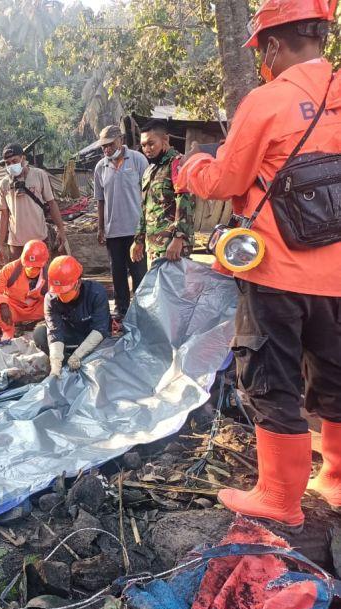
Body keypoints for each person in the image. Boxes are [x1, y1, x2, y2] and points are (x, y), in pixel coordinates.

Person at [176, 0, 341, 529]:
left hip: (277, 276)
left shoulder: (267, 102)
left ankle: (279, 495)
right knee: (337, 377)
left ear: (271, 45)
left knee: (272, 379)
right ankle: (336, 479)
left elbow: (223, 181)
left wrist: (193, 166)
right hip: (337, 279)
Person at [94, 125, 149, 318]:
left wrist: (146, 228)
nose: (106, 149)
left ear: (121, 140)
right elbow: (100, 200)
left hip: (136, 230)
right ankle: (121, 309)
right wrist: (101, 228)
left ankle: (142, 311)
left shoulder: (138, 160)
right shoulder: (101, 167)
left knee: (139, 273)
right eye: (103, 147)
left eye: (110, 144)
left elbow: (148, 195)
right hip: (113, 231)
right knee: (117, 274)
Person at [33, 256, 110, 377]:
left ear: (78, 283)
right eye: (59, 292)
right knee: (40, 334)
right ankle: (64, 365)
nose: (62, 296)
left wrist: (78, 355)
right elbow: (54, 331)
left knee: (107, 349)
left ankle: (82, 361)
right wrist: (56, 363)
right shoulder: (51, 299)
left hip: (92, 338)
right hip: (69, 338)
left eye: (65, 291)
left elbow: (100, 329)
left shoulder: (96, 293)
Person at [132, 119, 195, 264]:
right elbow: (145, 208)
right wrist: (138, 240)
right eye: (143, 145)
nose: (147, 149)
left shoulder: (177, 163)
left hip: (173, 248)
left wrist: (178, 239)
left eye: (151, 143)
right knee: (156, 287)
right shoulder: (149, 171)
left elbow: (186, 202)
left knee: (174, 287)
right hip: (153, 248)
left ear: (165, 139)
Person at [0, 143, 68, 264]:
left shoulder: (39, 175)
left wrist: (61, 229)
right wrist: (0, 245)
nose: (11, 165)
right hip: (16, 243)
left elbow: (51, 204)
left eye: (14, 161)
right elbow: (3, 216)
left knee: (42, 278)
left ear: (23, 158)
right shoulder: (3, 185)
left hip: (39, 238)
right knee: (20, 279)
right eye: (8, 163)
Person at [0, 239, 50, 340]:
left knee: (55, 306)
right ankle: (8, 331)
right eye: (29, 266)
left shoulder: (49, 274)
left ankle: (43, 327)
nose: (32, 269)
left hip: (35, 309)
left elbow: (56, 295)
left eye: (36, 267)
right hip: (13, 308)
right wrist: (3, 305)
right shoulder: (11, 269)